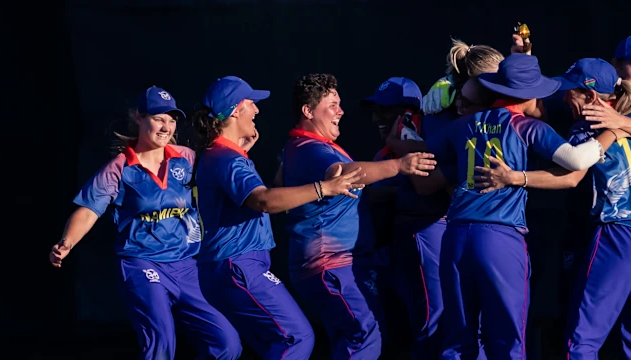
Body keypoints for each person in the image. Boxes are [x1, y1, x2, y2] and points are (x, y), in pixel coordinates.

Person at [411, 54, 614, 359]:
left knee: (458, 341)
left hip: (454, 236)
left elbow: (425, 155)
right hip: (499, 238)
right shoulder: (526, 126)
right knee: (507, 340)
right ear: (530, 93)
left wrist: (403, 136)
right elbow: (576, 160)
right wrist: (614, 131)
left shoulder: (463, 124)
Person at [471, 58, 631, 359]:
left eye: (570, 92)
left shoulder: (588, 127)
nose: (565, 98)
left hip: (618, 235)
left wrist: (515, 178)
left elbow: (572, 175)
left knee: (580, 343)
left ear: (590, 97)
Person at [48, 86, 243, 360]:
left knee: (227, 343)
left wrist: (242, 149)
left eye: (172, 119)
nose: (166, 126)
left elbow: (222, 175)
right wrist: (66, 243)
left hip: (187, 265)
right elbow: (89, 210)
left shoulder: (187, 158)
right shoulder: (120, 167)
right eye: (159, 118)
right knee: (161, 342)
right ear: (139, 118)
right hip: (142, 264)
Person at [188, 76, 366, 360]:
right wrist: (326, 188)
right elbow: (264, 200)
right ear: (235, 110)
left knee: (250, 346)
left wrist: (244, 153)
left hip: (227, 266)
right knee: (296, 337)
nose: (257, 110)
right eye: (251, 104)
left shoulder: (225, 156)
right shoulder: (227, 159)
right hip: (238, 265)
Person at [280, 73, 436, 359]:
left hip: (341, 264)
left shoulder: (304, 146)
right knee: (366, 334)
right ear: (308, 111)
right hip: (331, 264)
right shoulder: (312, 148)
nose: (341, 111)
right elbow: (343, 174)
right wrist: (401, 165)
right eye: (332, 104)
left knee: (356, 338)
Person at [375, 42, 502, 358]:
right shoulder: (444, 116)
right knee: (437, 323)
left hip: (461, 228)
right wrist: (450, 174)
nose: (505, 88)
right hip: (428, 226)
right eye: (497, 80)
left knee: (473, 321)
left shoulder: (487, 115)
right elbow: (426, 185)